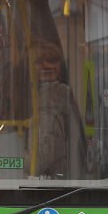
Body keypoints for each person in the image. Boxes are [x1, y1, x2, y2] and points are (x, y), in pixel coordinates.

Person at [33, 40, 85, 177]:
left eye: (52, 60)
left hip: (57, 180)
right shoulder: (25, 96)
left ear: (60, 67)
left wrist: (19, 160)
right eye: (40, 61)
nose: (46, 65)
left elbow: (45, 157)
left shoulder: (64, 94)